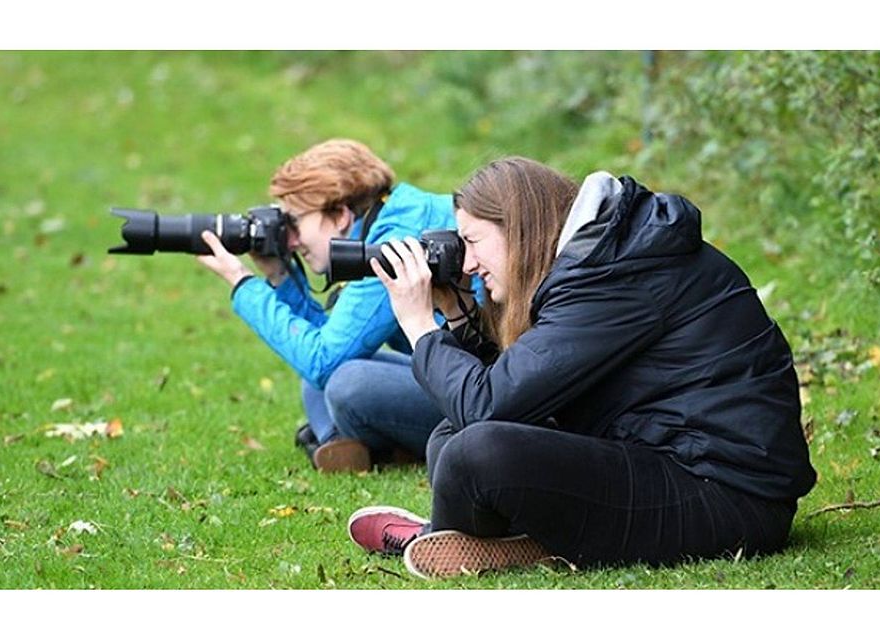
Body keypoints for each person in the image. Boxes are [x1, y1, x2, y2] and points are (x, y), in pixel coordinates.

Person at [347, 157, 817, 578]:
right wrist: (457, 316)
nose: (467, 263)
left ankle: (447, 537)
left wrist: (416, 323)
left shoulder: (616, 275)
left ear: (518, 228)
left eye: (473, 241)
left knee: (475, 452)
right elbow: (523, 389)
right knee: (449, 438)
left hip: (729, 498)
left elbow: (489, 406)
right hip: (672, 459)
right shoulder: (606, 257)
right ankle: (524, 542)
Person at [196, 139, 453, 472]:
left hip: (480, 397)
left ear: (340, 215)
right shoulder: (386, 221)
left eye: (295, 223)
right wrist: (279, 276)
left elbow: (322, 359)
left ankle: (349, 442)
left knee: (348, 382)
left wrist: (241, 282)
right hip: (449, 377)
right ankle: (348, 445)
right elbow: (327, 343)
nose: (291, 240)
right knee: (323, 376)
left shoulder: (393, 242)